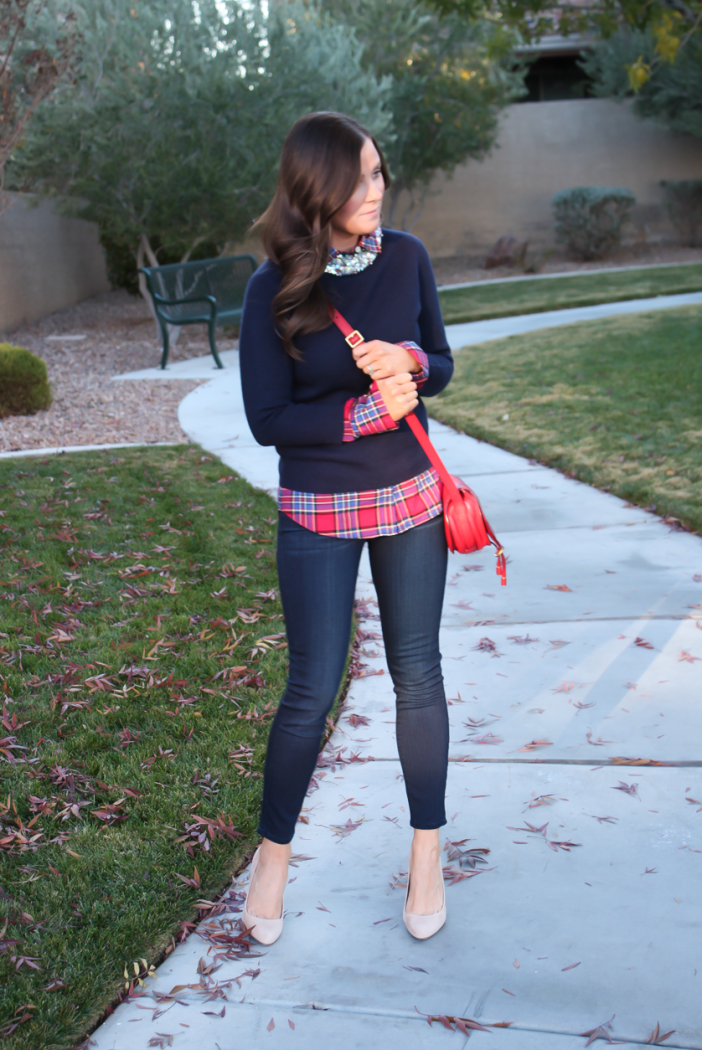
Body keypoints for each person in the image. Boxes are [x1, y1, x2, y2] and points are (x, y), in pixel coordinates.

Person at [238, 111, 454, 945]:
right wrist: (365, 413)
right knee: (308, 691)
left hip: (408, 500)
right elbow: (267, 418)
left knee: (418, 676)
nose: (377, 189)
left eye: (379, 173)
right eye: (360, 177)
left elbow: (442, 359)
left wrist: (413, 367)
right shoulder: (274, 288)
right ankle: (272, 860)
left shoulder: (407, 258)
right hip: (318, 509)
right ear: (316, 189)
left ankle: (427, 853)